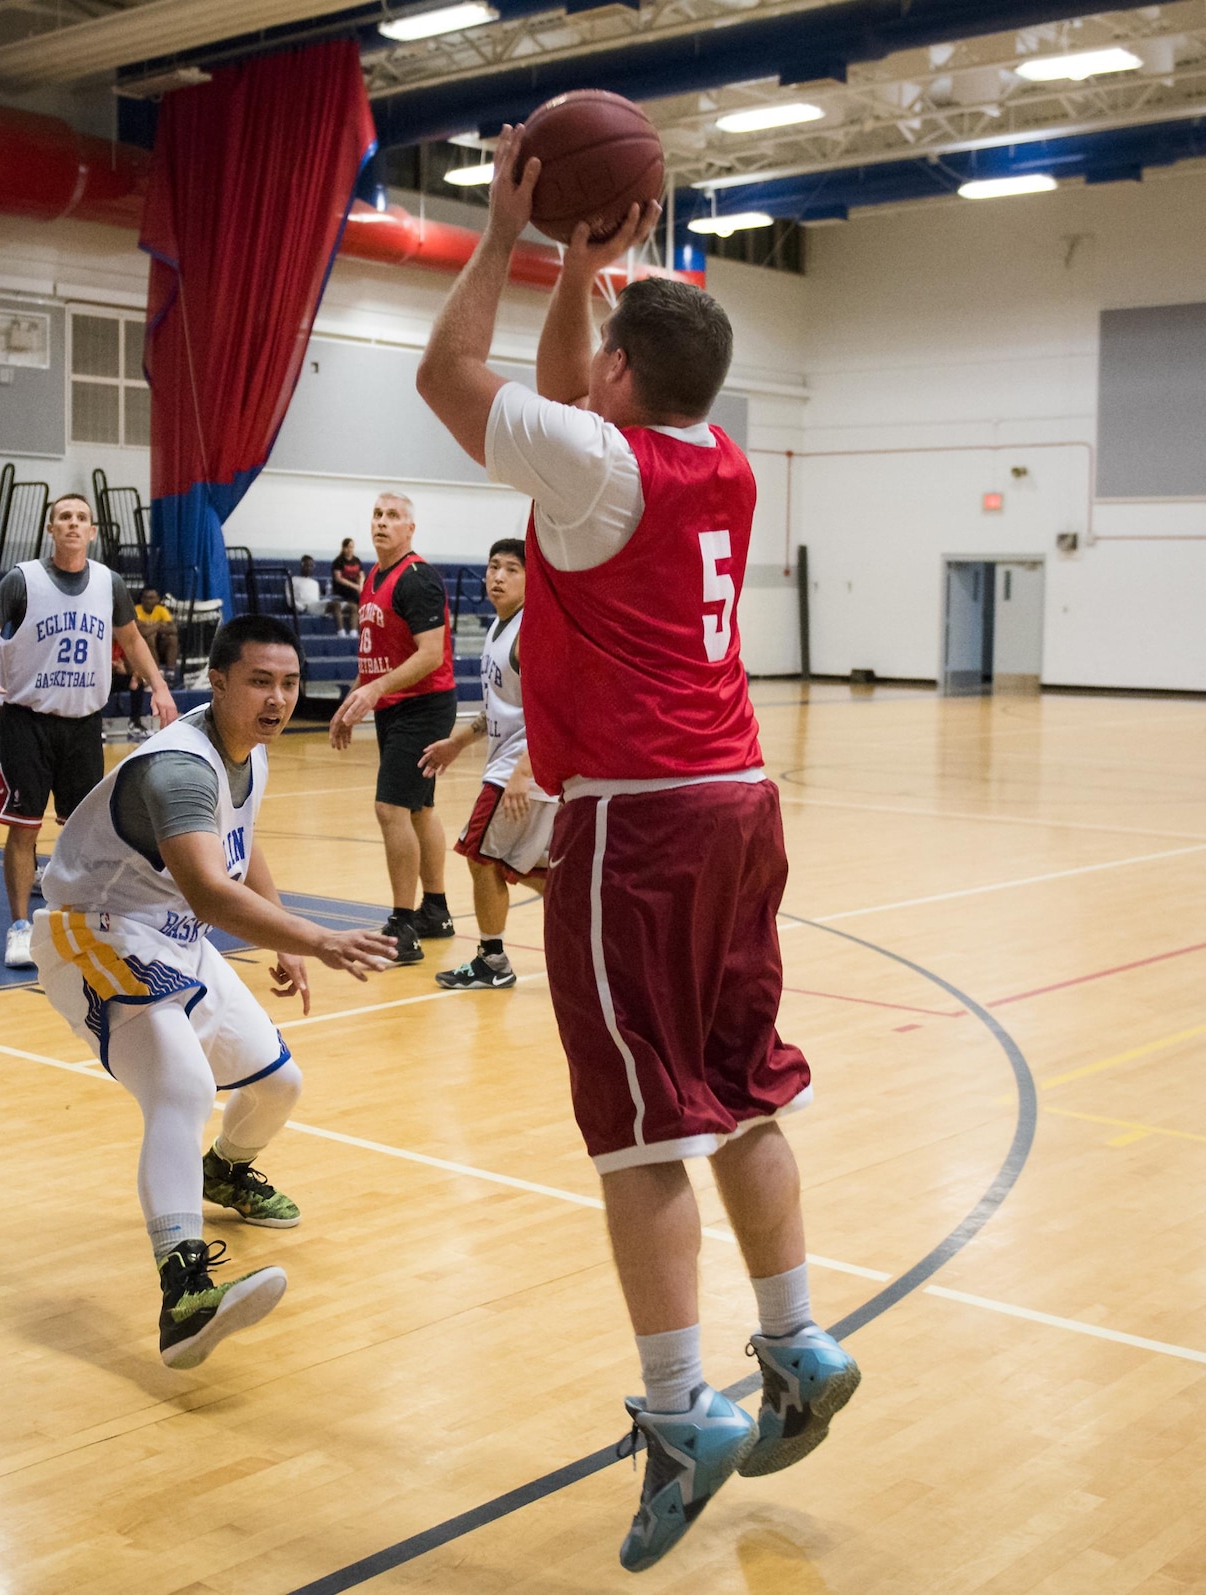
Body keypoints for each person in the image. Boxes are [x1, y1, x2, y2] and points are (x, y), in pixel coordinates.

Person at [416, 136, 857, 1572]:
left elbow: (452, 379)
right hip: (741, 798)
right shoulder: (712, 456)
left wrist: (501, 236)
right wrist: (586, 275)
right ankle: (795, 1339)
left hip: (644, 819)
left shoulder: (596, 465)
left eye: (599, 347)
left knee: (641, 1126)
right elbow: (562, 399)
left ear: (618, 379)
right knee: (739, 1090)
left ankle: (683, 1409)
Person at [33, 613, 396, 1367]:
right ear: (219, 681)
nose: (278, 698)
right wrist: (317, 938)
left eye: (290, 683)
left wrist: (276, 933)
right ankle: (184, 1294)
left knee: (280, 1085)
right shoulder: (179, 766)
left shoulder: (248, 755)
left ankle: (222, 1169)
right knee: (182, 1087)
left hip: (170, 934)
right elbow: (206, 889)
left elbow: (240, 842)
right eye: (260, 681)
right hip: (95, 931)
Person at [0, 493, 178, 970]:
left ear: (92, 531)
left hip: (84, 724)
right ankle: (20, 926)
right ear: (50, 527)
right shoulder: (23, 580)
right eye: (65, 517)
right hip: (28, 721)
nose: (73, 524)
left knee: (84, 831)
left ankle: (76, 920)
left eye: (82, 518)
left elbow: (131, 639)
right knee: (24, 829)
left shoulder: (109, 582)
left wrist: (160, 687)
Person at [417, 538, 555, 990]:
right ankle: (596, 926)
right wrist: (457, 743)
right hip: (513, 767)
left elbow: (553, 710)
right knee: (532, 870)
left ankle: (492, 962)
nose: (497, 576)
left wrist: (522, 771)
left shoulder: (530, 633)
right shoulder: (498, 629)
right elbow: (497, 710)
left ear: (533, 579)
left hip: (519, 772)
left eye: (512, 569)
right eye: (493, 567)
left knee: (479, 857)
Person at [326, 494, 458, 966]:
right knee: (420, 809)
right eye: (378, 515)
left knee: (391, 808)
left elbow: (430, 654)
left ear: (410, 528)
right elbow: (377, 652)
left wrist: (374, 689)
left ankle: (403, 926)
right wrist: (354, 699)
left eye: (393, 516)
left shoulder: (418, 578)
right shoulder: (372, 577)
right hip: (396, 705)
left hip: (423, 706)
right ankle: (436, 910)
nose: (382, 523)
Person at [134, 587, 180, 671]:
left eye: (151, 598)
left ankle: (171, 672)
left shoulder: (161, 610)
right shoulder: (136, 610)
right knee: (149, 638)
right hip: (142, 647)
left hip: (160, 643)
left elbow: (173, 629)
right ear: (141, 599)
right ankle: (156, 671)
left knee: (172, 638)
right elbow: (143, 632)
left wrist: (150, 627)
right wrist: (158, 625)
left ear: (157, 599)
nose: (148, 601)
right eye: (145, 598)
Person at [328, 537, 363, 634]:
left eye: (351, 547)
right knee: (356, 596)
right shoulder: (338, 561)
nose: (349, 549)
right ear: (343, 548)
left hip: (355, 587)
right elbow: (339, 578)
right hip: (342, 587)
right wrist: (355, 586)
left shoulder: (356, 560)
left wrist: (361, 586)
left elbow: (361, 575)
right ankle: (356, 629)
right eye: (347, 547)